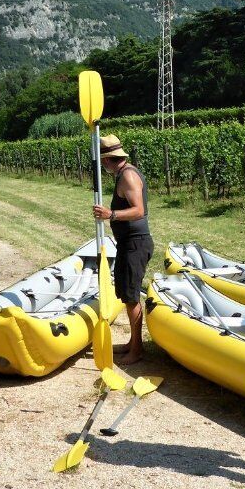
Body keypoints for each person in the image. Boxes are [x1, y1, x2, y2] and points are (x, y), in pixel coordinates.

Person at [91, 134, 152, 365]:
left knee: (132, 297)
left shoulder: (128, 176)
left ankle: (137, 351)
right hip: (129, 243)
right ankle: (132, 343)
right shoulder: (124, 174)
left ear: (107, 160)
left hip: (136, 243)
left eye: (103, 162)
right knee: (128, 295)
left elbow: (139, 210)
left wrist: (111, 214)